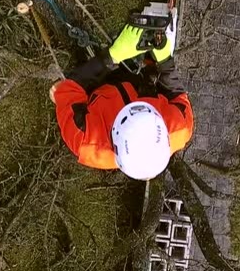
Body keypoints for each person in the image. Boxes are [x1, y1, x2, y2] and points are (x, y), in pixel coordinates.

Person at [51, 23, 193, 180]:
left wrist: (111, 57)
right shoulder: (180, 127)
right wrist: (165, 61)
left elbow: (68, 90)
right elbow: (175, 93)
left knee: (58, 87)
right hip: (137, 82)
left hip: (94, 88)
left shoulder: (86, 143)